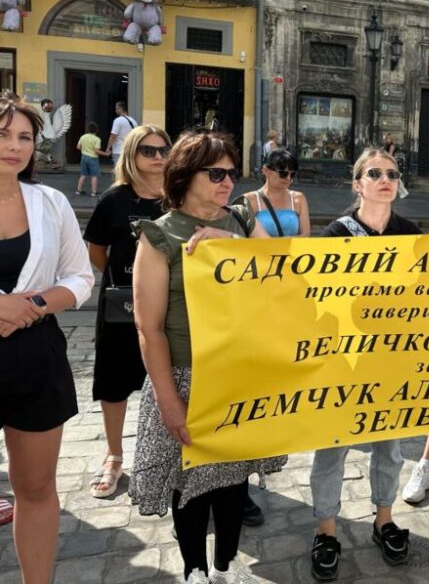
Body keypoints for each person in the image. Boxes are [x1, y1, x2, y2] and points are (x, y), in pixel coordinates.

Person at [131, 130, 285, 584]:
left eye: (232, 173)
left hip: (237, 374)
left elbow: (283, 272)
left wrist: (232, 248)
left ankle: (226, 564)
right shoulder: (158, 236)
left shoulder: (239, 220)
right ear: (184, 175)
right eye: (215, 172)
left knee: (233, 481)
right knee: (191, 485)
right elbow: (149, 328)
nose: (227, 182)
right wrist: (168, 400)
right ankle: (195, 569)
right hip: (183, 375)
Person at [308, 147, 420, 580]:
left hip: (391, 359)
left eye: (391, 173)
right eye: (374, 173)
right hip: (343, 358)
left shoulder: (410, 233)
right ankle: (327, 529)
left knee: (390, 448)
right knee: (332, 446)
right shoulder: (336, 234)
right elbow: (312, 290)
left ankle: (384, 519)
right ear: (358, 184)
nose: (384, 179)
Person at [0, 92, 94, 584]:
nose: (15, 146)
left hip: (35, 357)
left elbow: (80, 279)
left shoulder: (51, 201)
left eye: (24, 137)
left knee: (35, 488)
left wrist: (31, 306)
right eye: (3, 134)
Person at [84, 125, 171, 500]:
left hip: (171, 305)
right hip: (122, 304)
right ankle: (114, 455)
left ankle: (169, 457)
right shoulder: (114, 199)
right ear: (131, 155)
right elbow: (96, 250)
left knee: (171, 379)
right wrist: (131, 284)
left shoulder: (177, 198)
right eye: (147, 151)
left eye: (163, 150)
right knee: (115, 381)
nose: (156, 157)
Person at [240, 149, 311, 238]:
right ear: (266, 170)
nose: (288, 178)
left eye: (292, 174)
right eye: (283, 173)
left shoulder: (298, 198)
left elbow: (305, 235)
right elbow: (242, 237)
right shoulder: (250, 200)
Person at [76, 121, 108, 197]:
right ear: (97, 130)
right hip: (93, 158)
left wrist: (85, 150)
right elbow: (96, 151)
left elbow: (78, 147)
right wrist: (105, 154)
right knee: (94, 175)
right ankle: (94, 192)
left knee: (83, 174)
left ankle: (78, 190)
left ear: (88, 129)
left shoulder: (83, 137)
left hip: (84, 157)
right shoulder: (97, 139)